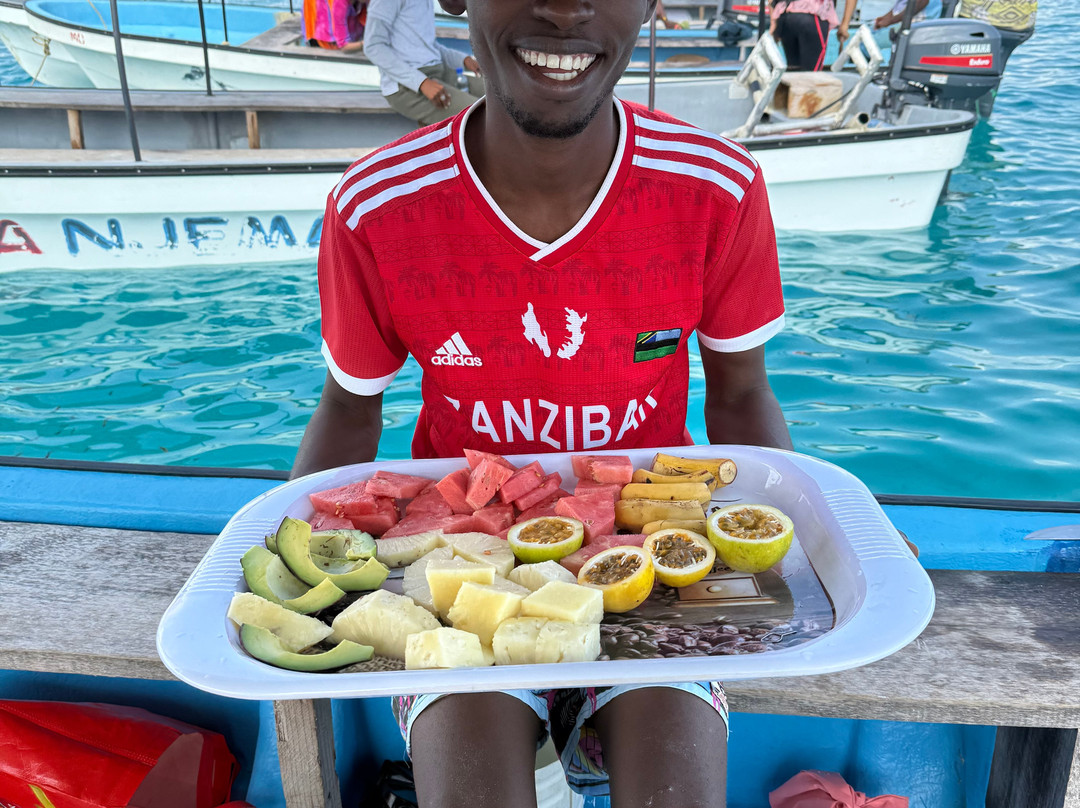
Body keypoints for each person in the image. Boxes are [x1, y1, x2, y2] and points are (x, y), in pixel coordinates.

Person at [293, 0, 793, 804]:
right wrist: (299, 567)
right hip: (458, 562)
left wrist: (825, 535)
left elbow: (741, 395)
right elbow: (351, 411)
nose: (565, 10)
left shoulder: (716, 188)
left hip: (655, 557)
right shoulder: (376, 206)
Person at [362, 0, 482, 126]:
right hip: (406, 85)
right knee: (482, 114)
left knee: (497, 96)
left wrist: (463, 59)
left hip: (439, 73)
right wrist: (421, 83)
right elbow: (373, 47)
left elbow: (428, 46)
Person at [768, 0, 841, 71]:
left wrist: (773, 22)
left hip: (786, 16)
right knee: (811, 73)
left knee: (794, 72)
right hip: (812, 15)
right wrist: (845, 24)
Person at [873, 0, 943, 33]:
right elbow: (896, 9)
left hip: (916, 28)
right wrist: (882, 20)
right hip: (898, 25)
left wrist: (891, 21)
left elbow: (920, 2)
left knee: (864, 45)